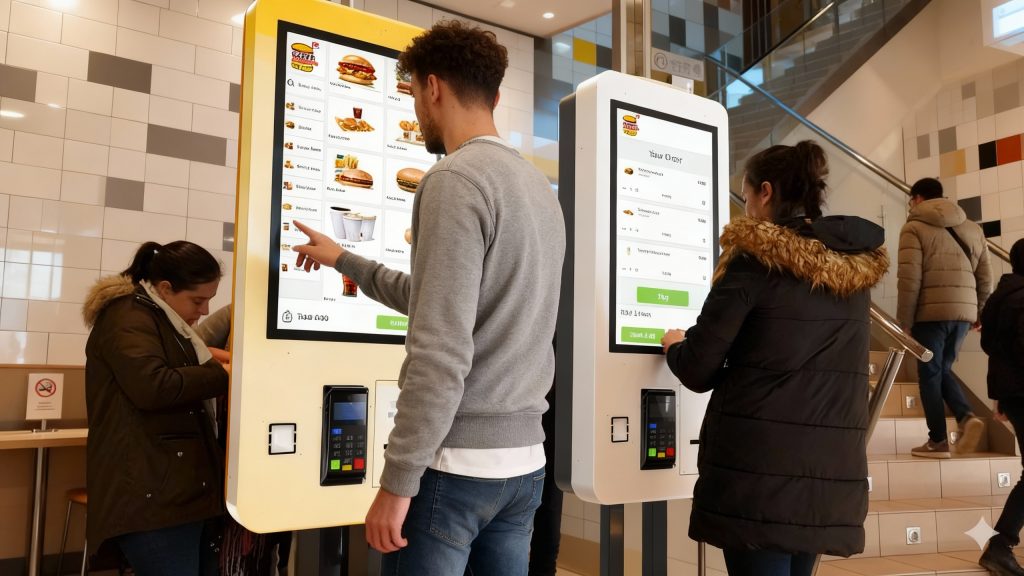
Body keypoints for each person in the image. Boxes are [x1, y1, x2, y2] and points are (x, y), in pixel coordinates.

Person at [292, 20, 565, 576]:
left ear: (433, 88)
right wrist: (344, 260)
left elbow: (440, 349)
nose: (416, 109)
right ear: (493, 95)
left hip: (456, 469)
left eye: (413, 93)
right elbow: (447, 301)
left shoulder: (454, 180)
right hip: (524, 466)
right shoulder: (537, 187)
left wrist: (398, 482)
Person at [660, 141, 888, 574]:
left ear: (766, 192)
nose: (747, 208)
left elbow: (698, 367)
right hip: (828, 473)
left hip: (759, 474)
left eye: (746, 196)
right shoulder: (852, 274)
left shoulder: (755, 262)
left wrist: (675, 345)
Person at [82, 241, 227, 576]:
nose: (205, 310)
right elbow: (153, 386)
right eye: (197, 300)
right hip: (151, 497)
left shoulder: (162, 320)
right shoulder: (127, 316)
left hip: (174, 492)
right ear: (164, 288)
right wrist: (221, 376)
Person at [897, 177, 992, 458]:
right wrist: (979, 312)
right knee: (942, 369)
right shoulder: (973, 228)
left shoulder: (913, 227)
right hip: (963, 315)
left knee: (929, 374)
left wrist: (904, 322)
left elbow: (909, 279)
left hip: (930, 314)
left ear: (917, 198)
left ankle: (938, 440)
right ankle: (965, 418)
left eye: (911, 200)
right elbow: (985, 277)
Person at [195, 305, 293, 576]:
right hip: (234, 430)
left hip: (279, 429)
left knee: (270, 527)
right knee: (234, 522)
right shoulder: (236, 309)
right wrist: (241, 362)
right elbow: (194, 347)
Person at [978, 239, 1024, 575]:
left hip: (1014, 393)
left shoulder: (1003, 296)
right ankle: (999, 544)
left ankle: (1000, 544)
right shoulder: (1021, 298)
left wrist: (1002, 394)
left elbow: (992, 347)